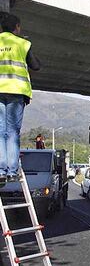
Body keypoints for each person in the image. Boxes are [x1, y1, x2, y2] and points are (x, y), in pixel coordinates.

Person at [0, 14, 40, 184]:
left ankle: (1, 171)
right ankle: (12, 171)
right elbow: (36, 66)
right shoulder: (22, 43)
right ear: (17, 27)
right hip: (17, 93)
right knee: (12, 133)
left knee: (0, 132)